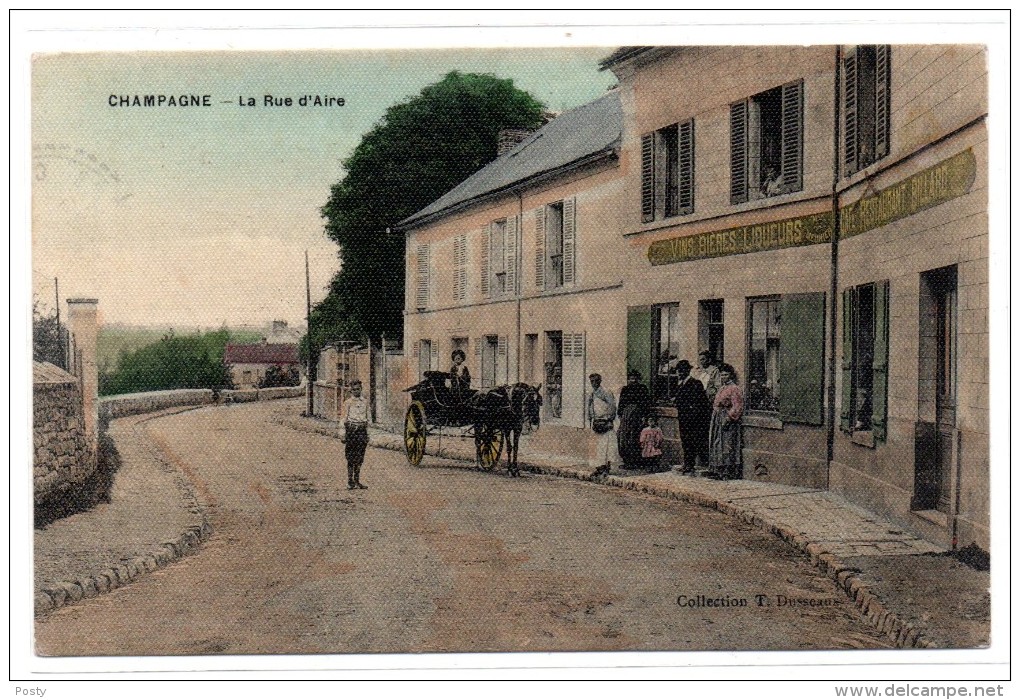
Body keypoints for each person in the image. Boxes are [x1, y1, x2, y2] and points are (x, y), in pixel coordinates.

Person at [672, 359, 711, 475]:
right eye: (678, 371)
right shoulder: (680, 384)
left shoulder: (695, 384)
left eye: (681, 371)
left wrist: (693, 415)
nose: (679, 373)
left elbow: (700, 402)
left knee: (695, 441)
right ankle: (688, 463)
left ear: (687, 371)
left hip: (694, 420)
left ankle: (696, 464)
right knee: (685, 441)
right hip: (683, 418)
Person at [708, 363, 744, 480]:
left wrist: (728, 418)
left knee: (727, 444)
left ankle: (728, 471)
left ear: (731, 375)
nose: (723, 377)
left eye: (726, 374)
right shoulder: (722, 388)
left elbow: (737, 406)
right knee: (717, 443)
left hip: (726, 419)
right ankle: (717, 469)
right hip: (717, 417)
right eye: (722, 375)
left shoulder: (734, 389)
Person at [587, 373, 621, 477]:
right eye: (592, 381)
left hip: (605, 422)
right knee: (598, 447)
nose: (594, 383)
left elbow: (612, 406)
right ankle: (599, 467)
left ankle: (607, 467)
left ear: (600, 381)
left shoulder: (606, 392)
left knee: (607, 446)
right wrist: (591, 417)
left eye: (596, 381)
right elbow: (591, 407)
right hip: (597, 422)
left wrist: (609, 418)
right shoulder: (592, 394)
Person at [617, 369, 652, 469]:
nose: (633, 380)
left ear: (638, 379)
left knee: (636, 438)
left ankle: (637, 461)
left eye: (635, 378)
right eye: (631, 378)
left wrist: (644, 416)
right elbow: (621, 404)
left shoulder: (642, 389)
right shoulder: (625, 389)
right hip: (626, 417)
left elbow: (646, 404)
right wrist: (621, 415)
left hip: (637, 417)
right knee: (624, 438)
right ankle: (627, 461)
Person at [341, 380, 370, 490]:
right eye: (354, 389)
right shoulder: (347, 403)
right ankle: (350, 481)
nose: (356, 391)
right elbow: (343, 419)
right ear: (350, 390)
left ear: (361, 389)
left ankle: (357, 480)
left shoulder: (365, 402)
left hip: (362, 430)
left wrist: (369, 435)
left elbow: (369, 420)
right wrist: (342, 434)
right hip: (351, 431)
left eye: (358, 389)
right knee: (350, 456)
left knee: (360, 456)